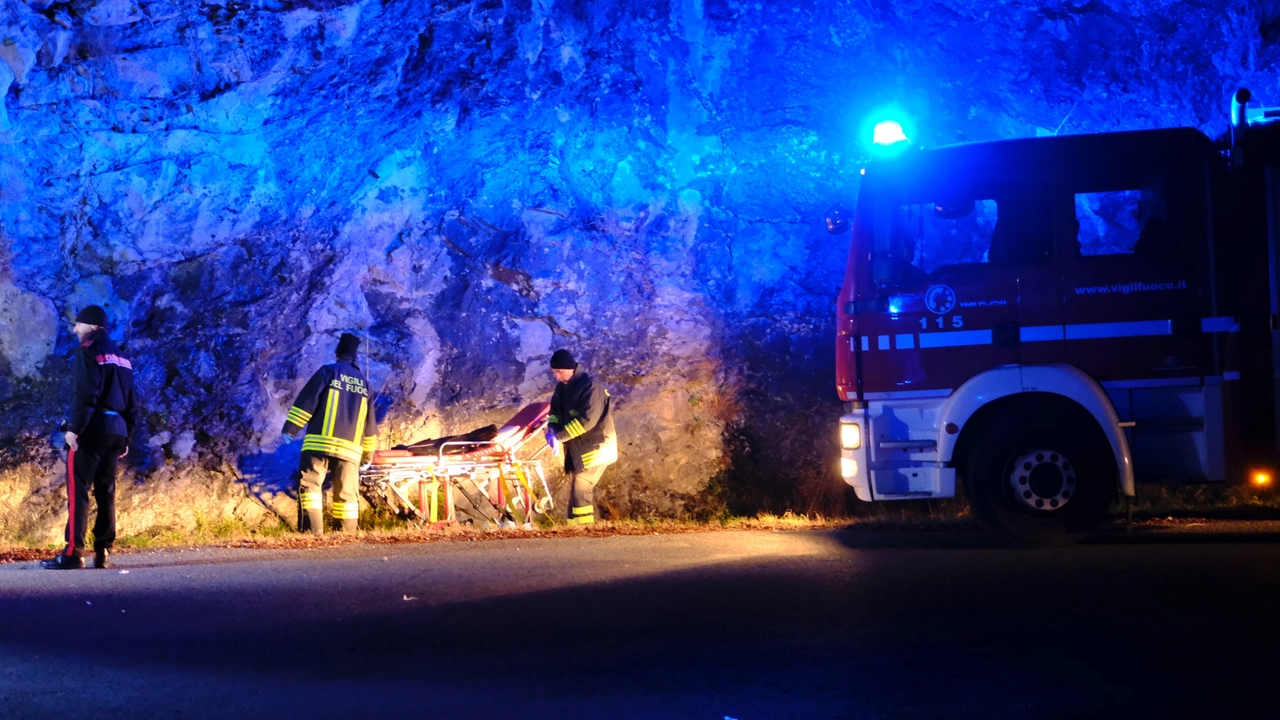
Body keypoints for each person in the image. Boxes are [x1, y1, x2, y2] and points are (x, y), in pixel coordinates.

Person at [42, 305, 136, 570]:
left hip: (92, 428)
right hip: (117, 430)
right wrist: (127, 436)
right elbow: (131, 402)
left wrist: (74, 428)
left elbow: (85, 393)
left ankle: (73, 553)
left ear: (92, 326)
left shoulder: (88, 350)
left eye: (78, 324)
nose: (74, 329)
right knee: (106, 490)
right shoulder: (122, 357)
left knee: (79, 489)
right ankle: (103, 551)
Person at [282, 333, 378, 534]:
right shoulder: (365, 384)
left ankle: (312, 534)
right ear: (355, 358)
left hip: (319, 444)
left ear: (338, 354)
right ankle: (345, 537)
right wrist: (368, 456)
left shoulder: (328, 372)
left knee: (310, 488)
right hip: (350, 451)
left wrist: (291, 429)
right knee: (347, 495)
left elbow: (307, 403)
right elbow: (370, 426)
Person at [545, 349, 617, 525]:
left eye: (559, 372)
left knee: (581, 491)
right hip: (581, 450)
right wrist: (552, 428)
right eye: (554, 372)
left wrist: (559, 436)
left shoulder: (592, 387)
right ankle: (574, 534)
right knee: (576, 497)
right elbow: (554, 412)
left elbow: (586, 421)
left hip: (596, 449)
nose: (557, 376)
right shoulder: (562, 388)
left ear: (570, 368)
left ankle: (584, 534)